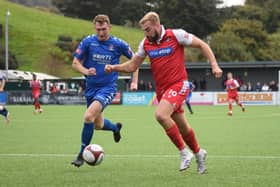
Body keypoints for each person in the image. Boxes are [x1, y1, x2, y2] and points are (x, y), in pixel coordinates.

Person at [105, 12, 223, 174]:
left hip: (179, 84)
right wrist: (114, 68)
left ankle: (184, 152)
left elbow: (203, 44)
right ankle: (198, 153)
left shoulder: (176, 35)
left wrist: (214, 65)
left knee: (160, 115)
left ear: (156, 25)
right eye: (144, 31)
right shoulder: (146, 43)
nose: (145, 33)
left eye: (147, 29)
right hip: (162, 91)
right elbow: (132, 66)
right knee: (183, 127)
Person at [71, 14, 138, 167]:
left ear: (110, 27)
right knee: (97, 124)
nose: (101, 33)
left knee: (88, 117)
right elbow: (75, 63)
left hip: (107, 88)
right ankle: (115, 128)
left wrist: (134, 81)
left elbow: (136, 61)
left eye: (104, 29)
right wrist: (86, 71)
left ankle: (81, 154)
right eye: (98, 29)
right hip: (91, 88)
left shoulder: (118, 44)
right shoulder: (88, 42)